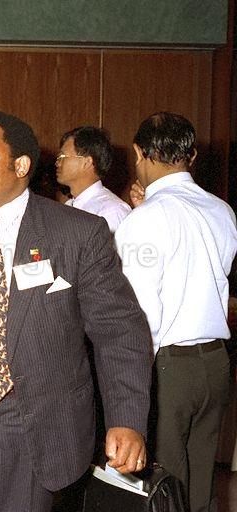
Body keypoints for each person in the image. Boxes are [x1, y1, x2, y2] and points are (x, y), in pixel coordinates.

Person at [0, 109, 152, 512]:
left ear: (20, 165)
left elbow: (118, 330)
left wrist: (126, 418)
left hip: (34, 412)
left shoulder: (76, 232)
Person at [115, 112, 237, 512]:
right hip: (215, 361)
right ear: (193, 155)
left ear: (139, 152)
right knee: (201, 482)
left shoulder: (145, 219)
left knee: (162, 483)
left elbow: (141, 312)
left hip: (168, 367)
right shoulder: (222, 210)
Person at [56, 126, 130, 232]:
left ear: (87, 162)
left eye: (63, 157)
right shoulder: (67, 206)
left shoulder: (111, 211)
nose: (57, 162)